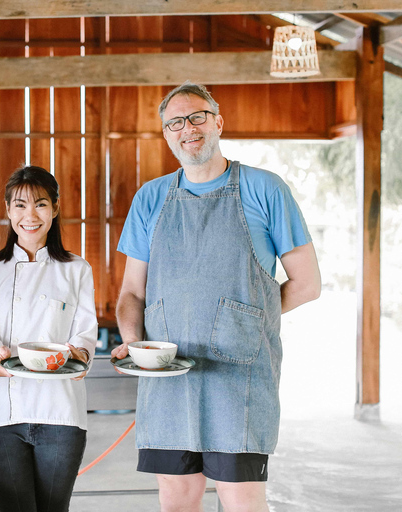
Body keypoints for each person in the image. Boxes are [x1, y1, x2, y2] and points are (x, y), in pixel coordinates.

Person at [112, 81, 321, 512]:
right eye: (175, 123)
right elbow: (132, 291)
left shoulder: (265, 189)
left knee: (242, 504)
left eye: (197, 117)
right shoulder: (150, 199)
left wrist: (243, 318)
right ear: (166, 134)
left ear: (218, 122)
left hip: (238, 378)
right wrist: (134, 343)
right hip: (166, 380)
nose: (187, 128)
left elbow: (307, 283)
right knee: (177, 503)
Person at [0, 165, 98, 512]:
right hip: (2, 414)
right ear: (8, 210)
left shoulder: (76, 269)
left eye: (41, 204)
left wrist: (79, 353)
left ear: (55, 209)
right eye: (20, 205)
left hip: (61, 413)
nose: (30, 215)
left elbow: (85, 333)